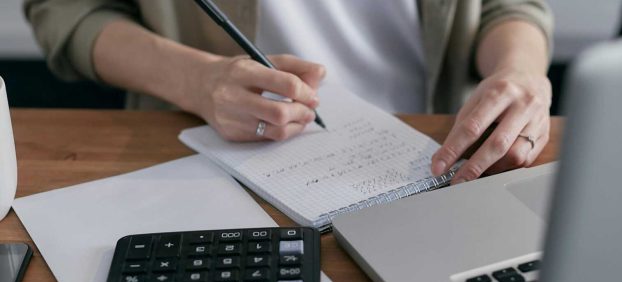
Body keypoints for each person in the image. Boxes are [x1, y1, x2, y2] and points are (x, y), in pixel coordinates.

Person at [24, 0, 553, 184]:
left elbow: (508, 9)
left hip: (435, 151)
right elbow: (66, 12)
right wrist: (198, 79)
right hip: (207, 154)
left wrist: (520, 72)